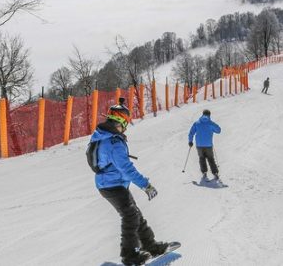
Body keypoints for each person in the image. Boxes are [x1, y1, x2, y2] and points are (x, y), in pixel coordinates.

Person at [89, 103, 173, 265]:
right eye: (125, 121)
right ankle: (130, 256)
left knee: (135, 214)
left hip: (113, 184)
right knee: (130, 215)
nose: (126, 126)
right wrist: (145, 185)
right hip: (111, 186)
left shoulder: (104, 135)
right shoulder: (113, 142)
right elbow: (126, 169)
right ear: (119, 121)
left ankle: (150, 245)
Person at [187, 109, 222, 180]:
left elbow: (191, 133)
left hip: (199, 145)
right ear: (209, 115)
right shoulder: (210, 123)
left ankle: (204, 173)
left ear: (202, 114)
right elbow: (218, 130)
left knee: (201, 158)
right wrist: (212, 128)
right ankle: (215, 173)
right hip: (208, 144)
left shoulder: (197, 123)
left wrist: (190, 141)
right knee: (211, 159)